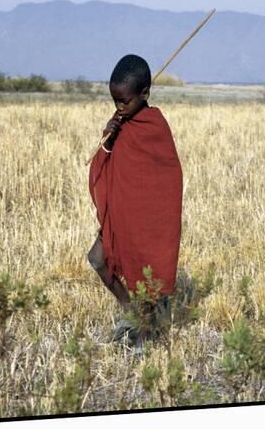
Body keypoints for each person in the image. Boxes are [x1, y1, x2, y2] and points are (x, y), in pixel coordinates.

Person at [88, 54, 183, 353]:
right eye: (114, 100)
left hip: (148, 223)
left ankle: (143, 334)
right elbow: (107, 164)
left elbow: (165, 178)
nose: (119, 107)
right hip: (121, 216)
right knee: (98, 260)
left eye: (124, 101)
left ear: (144, 94)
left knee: (146, 278)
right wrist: (109, 133)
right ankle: (130, 313)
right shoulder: (121, 123)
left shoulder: (154, 126)